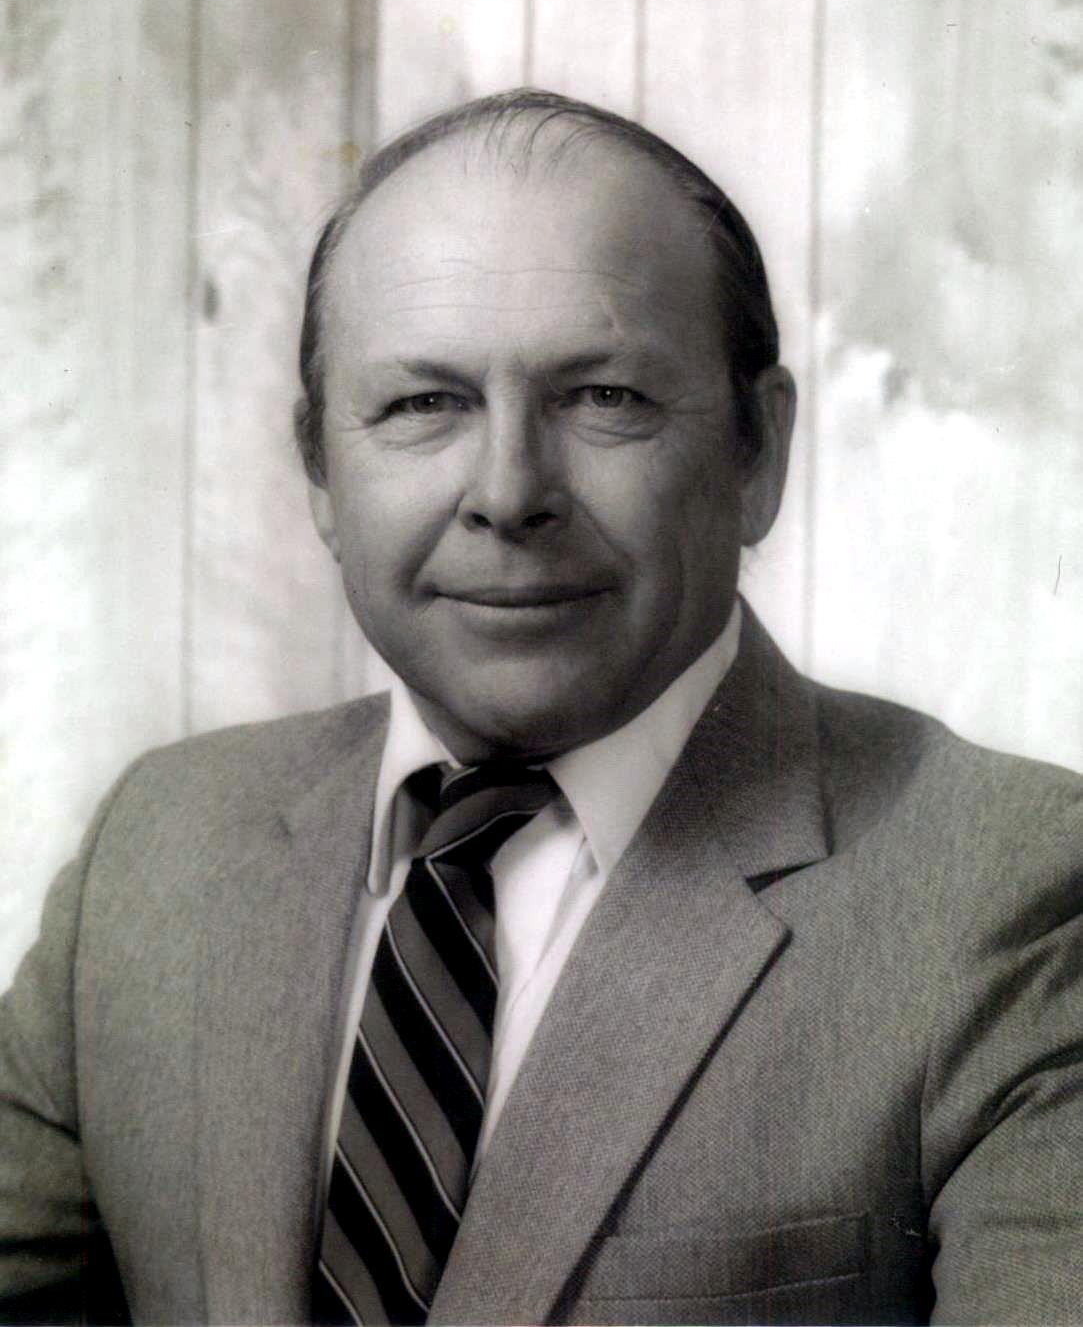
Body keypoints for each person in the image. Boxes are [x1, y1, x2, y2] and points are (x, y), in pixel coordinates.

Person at [1, 89, 1080, 1327]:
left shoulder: (1010, 893)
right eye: (423, 404)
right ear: (321, 473)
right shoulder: (159, 846)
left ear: (758, 453)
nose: (509, 491)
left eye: (603, 396)